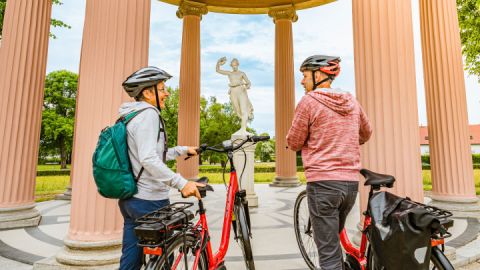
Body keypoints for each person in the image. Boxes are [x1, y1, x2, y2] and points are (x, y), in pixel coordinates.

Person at [286, 55, 372, 270]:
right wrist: (348, 139)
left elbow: (295, 141)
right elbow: (366, 132)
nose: (302, 81)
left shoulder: (309, 102)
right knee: (332, 239)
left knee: (329, 256)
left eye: (305, 75)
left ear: (319, 75)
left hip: (322, 185)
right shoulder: (351, 101)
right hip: (350, 186)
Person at [118, 66, 204, 270]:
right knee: (164, 259)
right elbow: (148, 158)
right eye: (162, 88)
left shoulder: (130, 115)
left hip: (131, 200)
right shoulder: (149, 114)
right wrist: (181, 183)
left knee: (130, 258)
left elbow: (148, 153)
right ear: (148, 93)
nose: (167, 93)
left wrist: (182, 150)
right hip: (150, 200)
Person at [216, 57, 254, 135]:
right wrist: (218, 63)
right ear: (231, 66)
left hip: (241, 91)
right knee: (237, 110)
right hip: (233, 92)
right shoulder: (230, 73)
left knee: (244, 110)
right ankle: (242, 127)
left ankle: (243, 129)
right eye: (233, 65)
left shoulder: (242, 73)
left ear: (237, 65)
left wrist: (246, 87)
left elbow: (248, 82)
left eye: (235, 65)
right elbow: (218, 70)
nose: (234, 67)